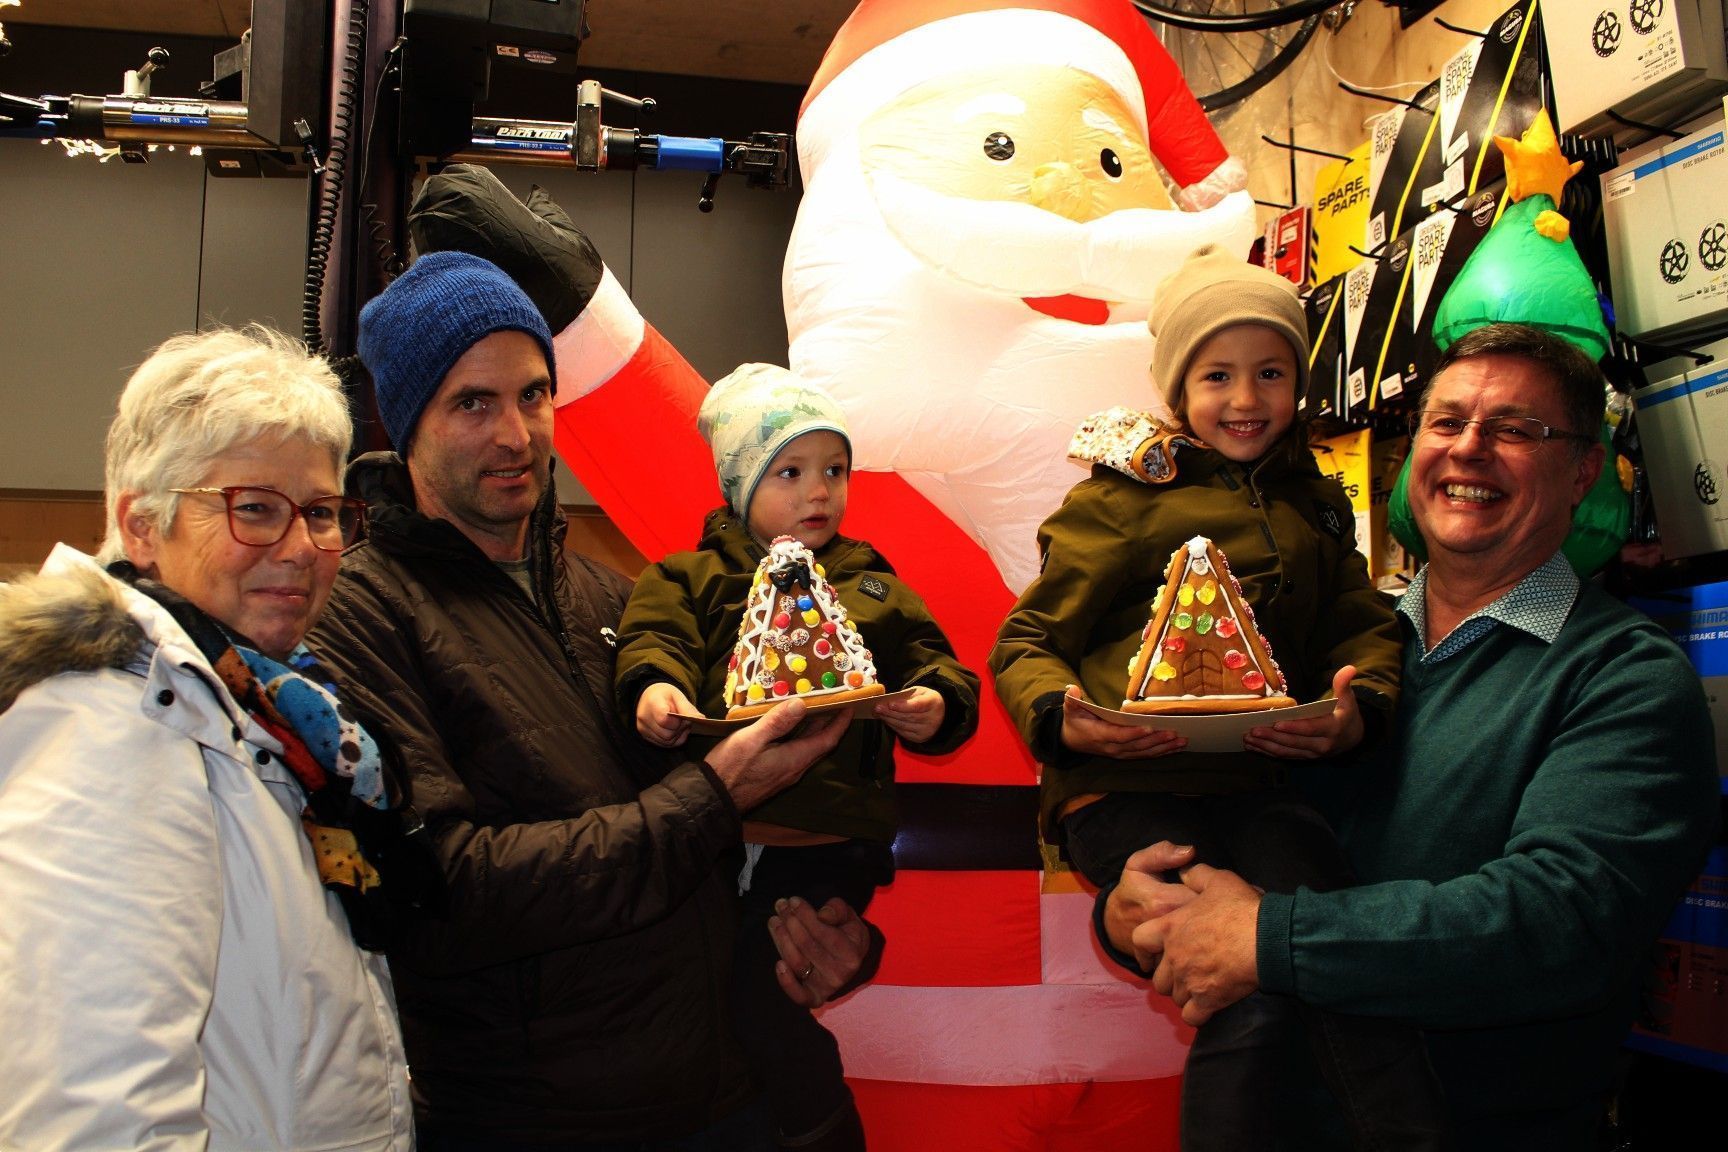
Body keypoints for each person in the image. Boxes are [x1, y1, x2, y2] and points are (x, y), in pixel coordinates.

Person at [1105, 321, 1722, 1148]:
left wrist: (1270, 939)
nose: (1468, 449)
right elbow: (1215, 827)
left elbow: (1562, 922)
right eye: (1447, 421)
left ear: (1582, 472)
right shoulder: (1316, 652)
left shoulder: (1623, 676)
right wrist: (1133, 911)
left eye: (1515, 429)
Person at [305, 251, 871, 1151]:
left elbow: (724, 855)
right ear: (407, 425)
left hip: (734, 1096)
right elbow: (442, 894)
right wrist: (712, 795)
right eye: (472, 403)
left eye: (533, 395)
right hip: (543, 1122)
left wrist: (814, 934)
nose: (515, 434)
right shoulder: (359, 615)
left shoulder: (619, 600)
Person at [989, 244, 1445, 1150]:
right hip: (1128, 789)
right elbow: (1027, 640)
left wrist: (1357, 710)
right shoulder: (1120, 499)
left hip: (1260, 785)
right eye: (1217, 375)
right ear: (1176, 387)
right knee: (1241, 990)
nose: (1246, 398)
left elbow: (1360, 626)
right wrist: (1065, 719)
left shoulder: (1315, 504)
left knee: (1331, 956)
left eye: (1270, 371)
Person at [0, 327, 413, 1149]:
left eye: (320, 512)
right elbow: (94, 1115)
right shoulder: (114, 727)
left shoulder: (272, 708)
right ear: (142, 527)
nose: (300, 549)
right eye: (252, 508)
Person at [616, 362, 981, 1151]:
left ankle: (823, 1130)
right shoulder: (689, 577)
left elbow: (938, 664)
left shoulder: (872, 587)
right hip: (711, 841)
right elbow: (653, 641)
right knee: (700, 1002)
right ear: (739, 485)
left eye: (835, 470)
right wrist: (655, 691)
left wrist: (935, 705)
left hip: (828, 843)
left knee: (765, 999)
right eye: (790, 472)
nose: (820, 491)